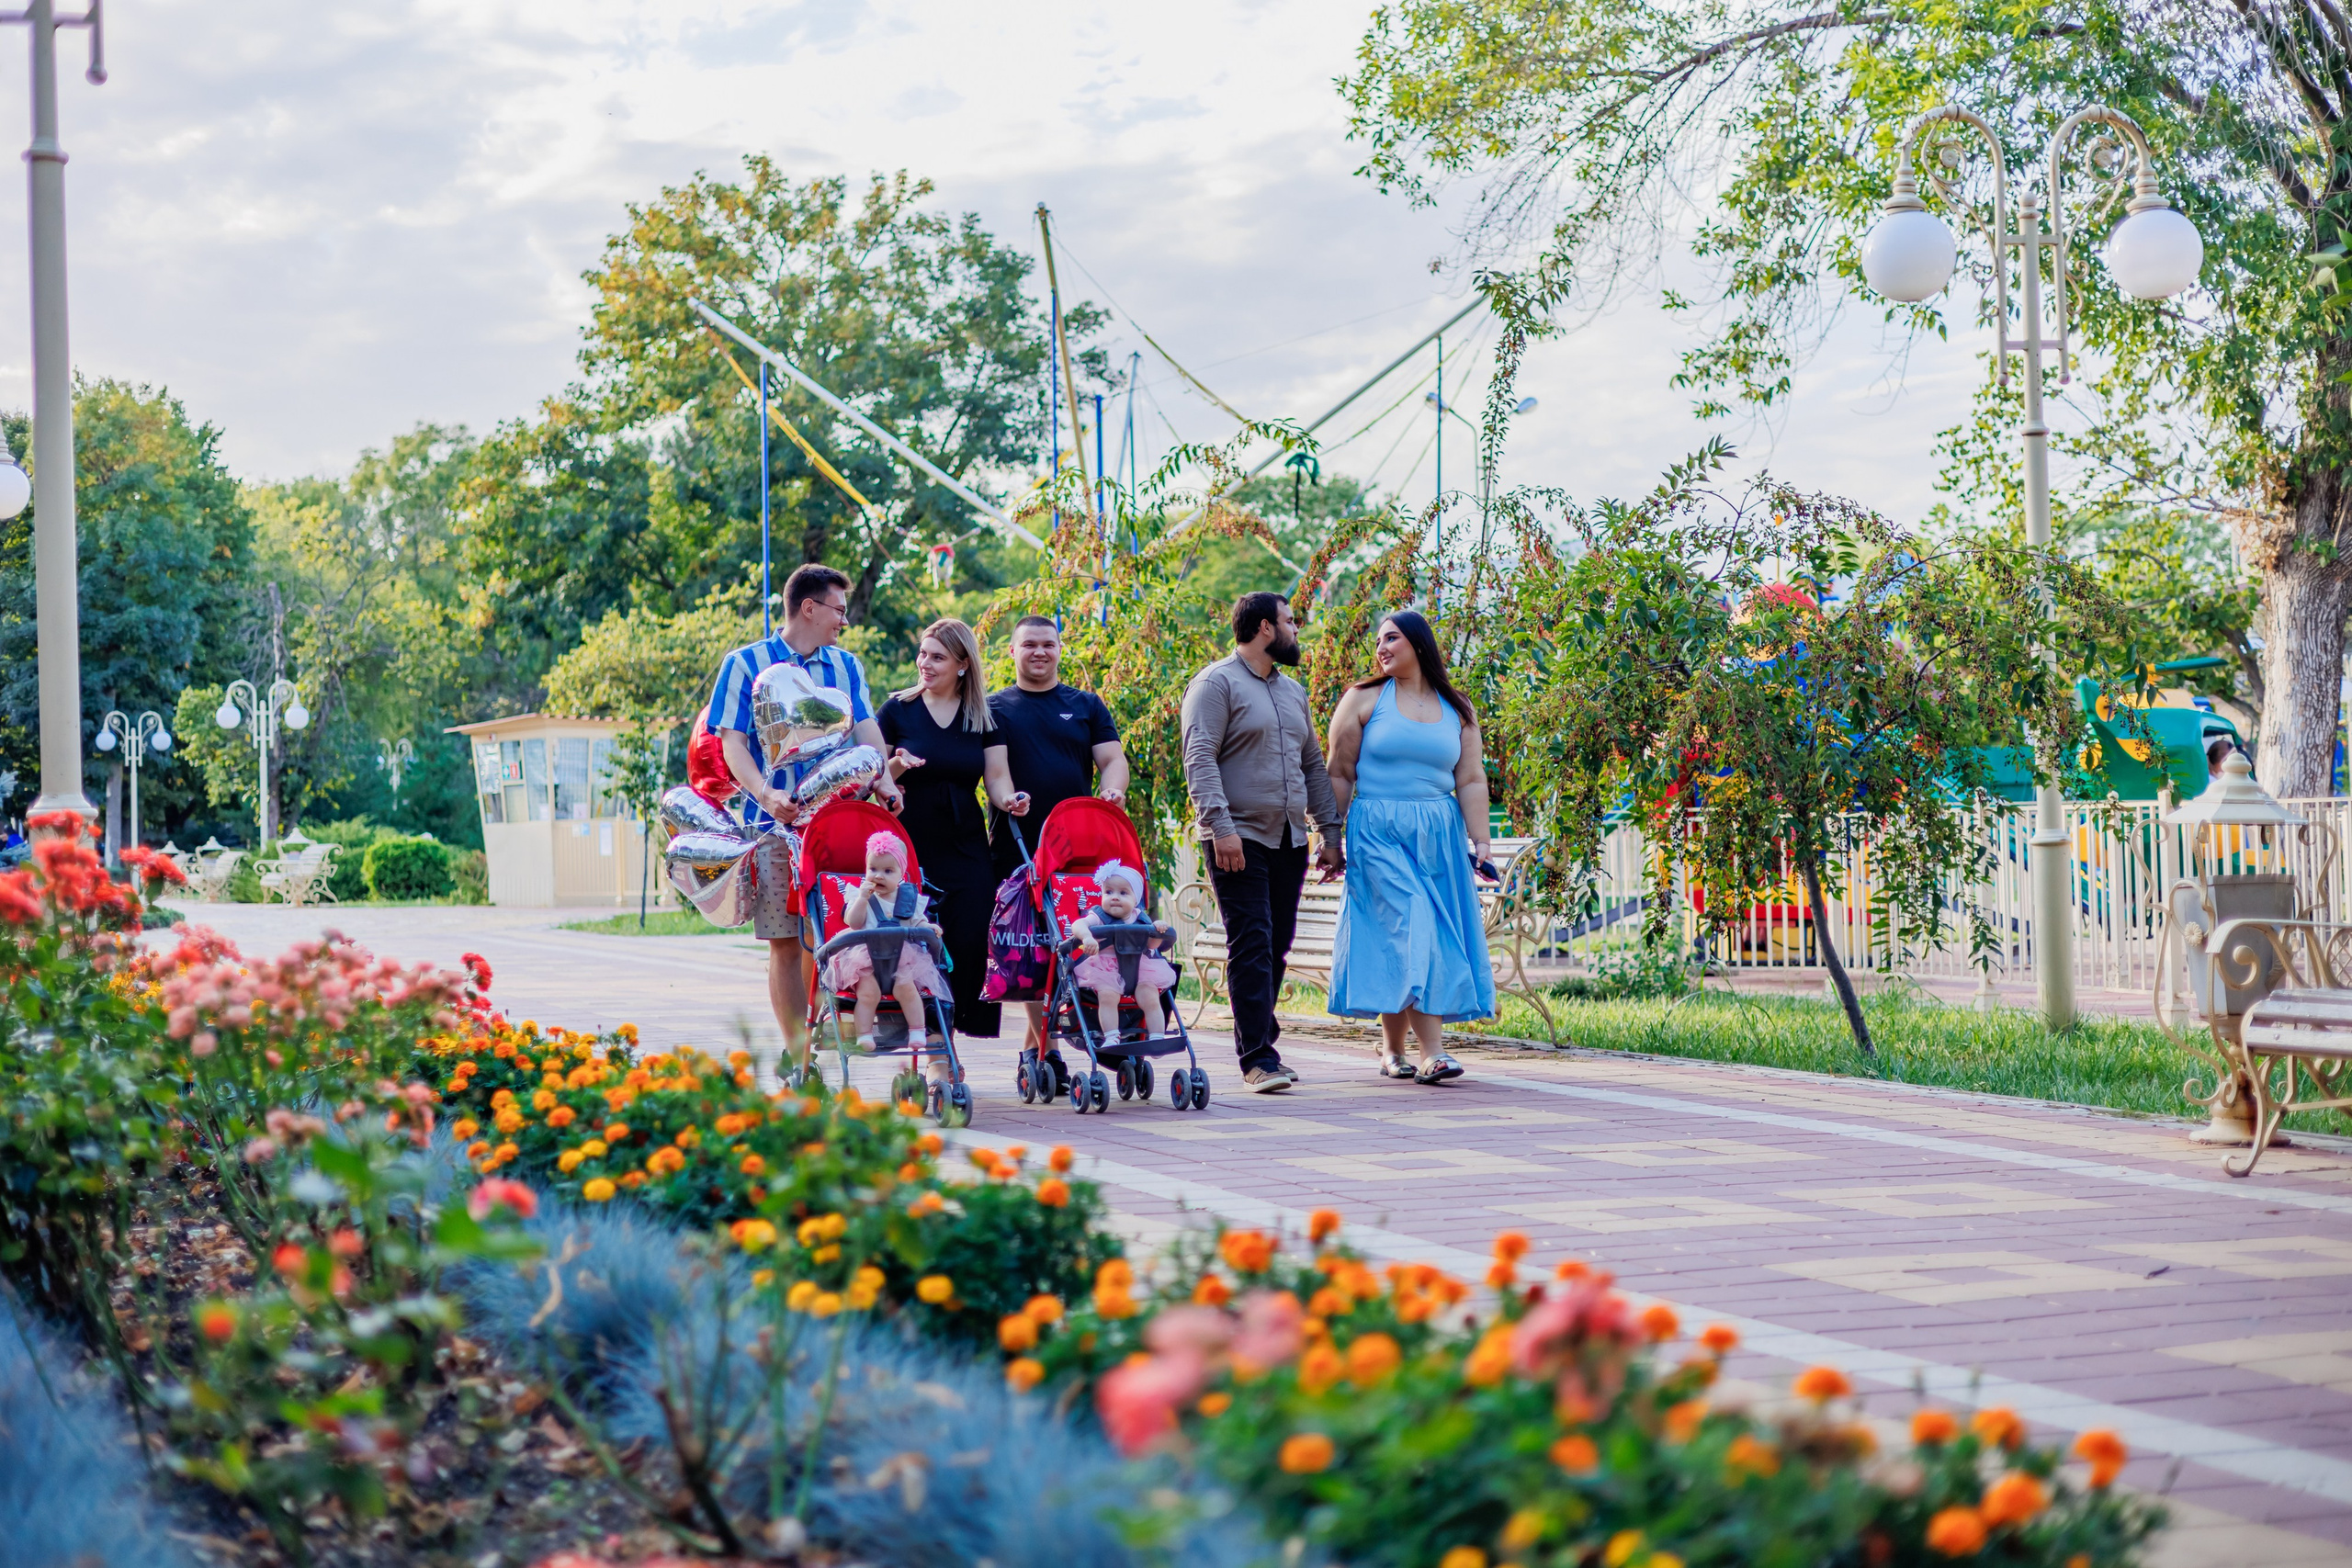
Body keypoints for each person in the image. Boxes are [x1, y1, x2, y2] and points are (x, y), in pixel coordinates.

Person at [708, 562, 904, 1082]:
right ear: (810, 608)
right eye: (839, 609)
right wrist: (767, 794)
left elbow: (864, 727)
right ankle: (798, 1055)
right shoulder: (745, 663)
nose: (845, 620)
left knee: (829, 934)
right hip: (771, 825)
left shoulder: (846, 666)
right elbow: (730, 743)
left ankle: (813, 1032)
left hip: (836, 822)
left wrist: (882, 779)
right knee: (785, 939)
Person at [1179, 592, 1343, 1092]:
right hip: (1237, 835)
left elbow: (1313, 765)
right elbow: (1199, 759)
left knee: (1276, 944)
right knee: (1250, 940)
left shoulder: (1292, 691)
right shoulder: (1214, 684)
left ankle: (1262, 1041)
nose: (1298, 630)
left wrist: (1330, 832)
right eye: (1292, 622)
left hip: (1290, 837)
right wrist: (1221, 829)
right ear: (1266, 628)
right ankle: (1257, 1057)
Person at [1323, 608, 1495, 1083]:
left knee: (1400, 936)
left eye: (1391, 638)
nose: (1381, 648)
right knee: (1416, 921)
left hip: (1438, 832)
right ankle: (1433, 1053)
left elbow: (1472, 778)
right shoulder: (1362, 699)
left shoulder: (1457, 706)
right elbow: (1338, 771)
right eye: (1378, 641)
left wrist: (1480, 840)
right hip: (1377, 827)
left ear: (1419, 644)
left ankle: (1392, 1049)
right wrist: (1330, 838)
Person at [989, 615, 1128, 1074]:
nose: (1039, 652)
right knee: (1034, 948)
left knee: (1073, 942)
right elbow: (996, 773)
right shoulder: (994, 708)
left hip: (1080, 847)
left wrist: (1113, 791)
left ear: (1060, 650)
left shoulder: (1086, 705)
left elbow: (1112, 760)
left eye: (1048, 644)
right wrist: (1008, 799)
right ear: (1012, 651)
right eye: (1029, 644)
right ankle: (1045, 1047)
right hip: (1020, 846)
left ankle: (1038, 1046)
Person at [878, 617, 1016, 1040]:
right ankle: (929, 1038)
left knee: (970, 937)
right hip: (910, 847)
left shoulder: (983, 715)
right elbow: (872, 777)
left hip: (966, 844)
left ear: (962, 664)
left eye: (937, 656)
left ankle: (950, 1034)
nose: (925, 662)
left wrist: (1009, 800)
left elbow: (996, 776)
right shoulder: (896, 710)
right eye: (923, 653)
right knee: (915, 943)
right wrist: (896, 767)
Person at [823, 829, 947, 1058]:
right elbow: (854, 922)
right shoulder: (859, 895)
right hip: (865, 959)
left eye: (888, 871)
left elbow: (917, 920)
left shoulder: (907, 898)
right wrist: (861, 899)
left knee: (908, 989)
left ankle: (917, 1031)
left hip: (900, 958)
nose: (878, 876)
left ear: (901, 874)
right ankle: (864, 1035)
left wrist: (927, 926)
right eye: (873, 869)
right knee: (868, 994)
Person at [1069, 858, 1179, 1045]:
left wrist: (1158, 931)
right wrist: (1087, 937)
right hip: (1106, 968)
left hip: (1139, 967)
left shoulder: (1140, 918)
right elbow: (1079, 924)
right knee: (1107, 996)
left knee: (1150, 996)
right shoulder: (1099, 916)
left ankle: (1157, 1036)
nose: (1114, 897)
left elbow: (1151, 946)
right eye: (1108, 892)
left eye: (1123, 893)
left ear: (1135, 899)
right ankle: (1111, 1036)